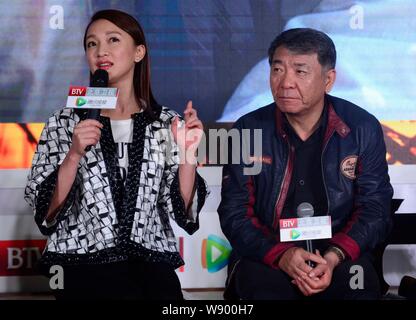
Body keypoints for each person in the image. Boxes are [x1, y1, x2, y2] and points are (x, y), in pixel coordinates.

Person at [24, 9, 208, 300]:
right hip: (81, 263)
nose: (101, 51)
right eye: (91, 44)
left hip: (150, 262)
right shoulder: (63, 121)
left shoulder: (165, 122)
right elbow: (46, 213)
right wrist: (73, 155)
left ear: (138, 52)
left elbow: (183, 213)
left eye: (113, 40)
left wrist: (187, 155)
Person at [218, 28, 393, 300]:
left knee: (358, 286)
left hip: (340, 257)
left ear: (328, 79)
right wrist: (282, 255)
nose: (285, 82)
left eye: (300, 71)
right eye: (277, 70)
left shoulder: (361, 127)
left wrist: (334, 256)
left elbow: (375, 209)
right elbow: (234, 212)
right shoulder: (247, 131)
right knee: (258, 285)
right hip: (269, 255)